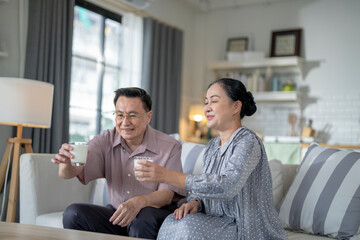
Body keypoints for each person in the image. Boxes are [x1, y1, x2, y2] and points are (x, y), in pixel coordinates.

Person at [135, 78, 288, 239]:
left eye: (214, 101)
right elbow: (206, 188)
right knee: (172, 221)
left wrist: (166, 175)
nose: (207, 108)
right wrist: (195, 202)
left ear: (236, 106)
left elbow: (227, 185)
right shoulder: (213, 145)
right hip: (217, 221)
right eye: (206, 102)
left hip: (243, 227)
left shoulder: (247, 141)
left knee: (189, 228)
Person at [51, 87, 184, 239]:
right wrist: (68, 162)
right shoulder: (105, 140)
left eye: (132, 115)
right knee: (73, 213)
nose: (125, 122)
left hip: (153, 213)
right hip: (119, 214)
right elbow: (67, 174)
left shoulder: (170, 146)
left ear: (148, 117)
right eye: (120, 115)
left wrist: (139, 202)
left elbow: (167, 195)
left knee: (143, 218)